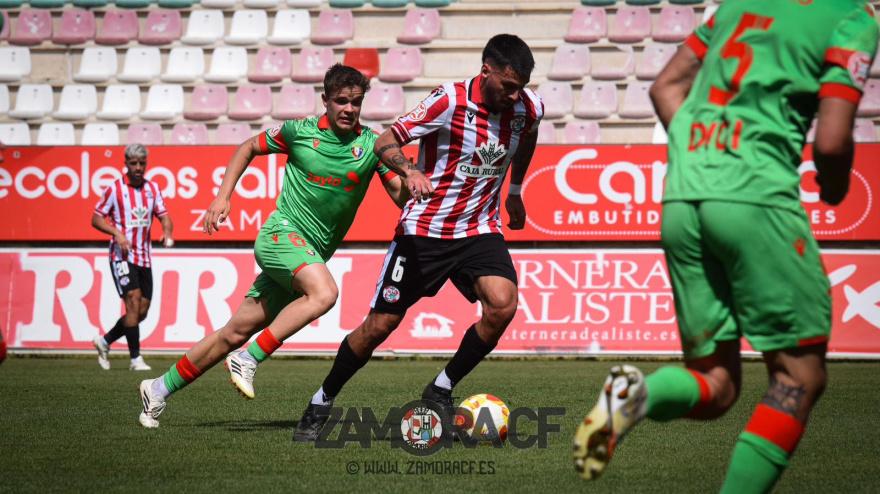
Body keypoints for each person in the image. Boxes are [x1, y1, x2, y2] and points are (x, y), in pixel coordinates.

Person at [573, 1, 878, 491]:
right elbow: (833, 142)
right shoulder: (851, 17)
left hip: (682, 199)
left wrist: (705, 157)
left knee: (717, 385)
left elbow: (665, 86)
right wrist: (836, 184)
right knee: (799, 377)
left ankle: (638, 395)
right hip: (754, 197)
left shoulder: (738, 5)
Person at [292, 34, 544, 442]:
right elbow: (385, 140)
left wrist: (514, 191)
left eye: (521, 88)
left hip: (479, 228)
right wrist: (409, 170)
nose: (515, 96)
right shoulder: (449, 100)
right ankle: (321, 399)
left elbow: (528, 134)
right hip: (424, 232)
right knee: (379, 326)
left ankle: (440, 388)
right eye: (508, 86)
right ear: (486, 72)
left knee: (503, 304)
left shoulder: (527, 108)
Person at [136, 64, 409, 429]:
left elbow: (398, 196)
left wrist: (418, 183)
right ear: (325, 100)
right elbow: (248, 146)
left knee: (232, 333)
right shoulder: (299, 132)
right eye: (341, 101)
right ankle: (250, 359)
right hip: (280, 236)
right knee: (325, 293)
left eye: (356, 102)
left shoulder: (371, 146)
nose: (349, 109)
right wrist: (223, 198)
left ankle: (157, 389)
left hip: (305, 256)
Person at [92, 144, 174, 371]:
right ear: (126, 164)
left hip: (144, 257)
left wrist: (167, 232)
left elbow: (164, 216)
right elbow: (96, 218)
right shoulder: (115, 190)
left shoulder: (153, 189)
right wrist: (116, 233)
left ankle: (105, 341)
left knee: (141, 311)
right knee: (133, 302)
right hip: (121, 256)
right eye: (133, 163)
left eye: (142, 163)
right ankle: (135, 359)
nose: (138, 168)